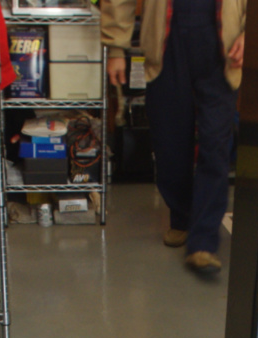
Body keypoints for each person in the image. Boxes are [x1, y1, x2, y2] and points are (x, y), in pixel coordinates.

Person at [102, 0, 246, 274]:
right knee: (170, 145)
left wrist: (251, 33)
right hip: (166, 43)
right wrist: (116, 47)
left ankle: (203, 241)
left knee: (215, 145)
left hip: (222, 45)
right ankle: (181, 217)